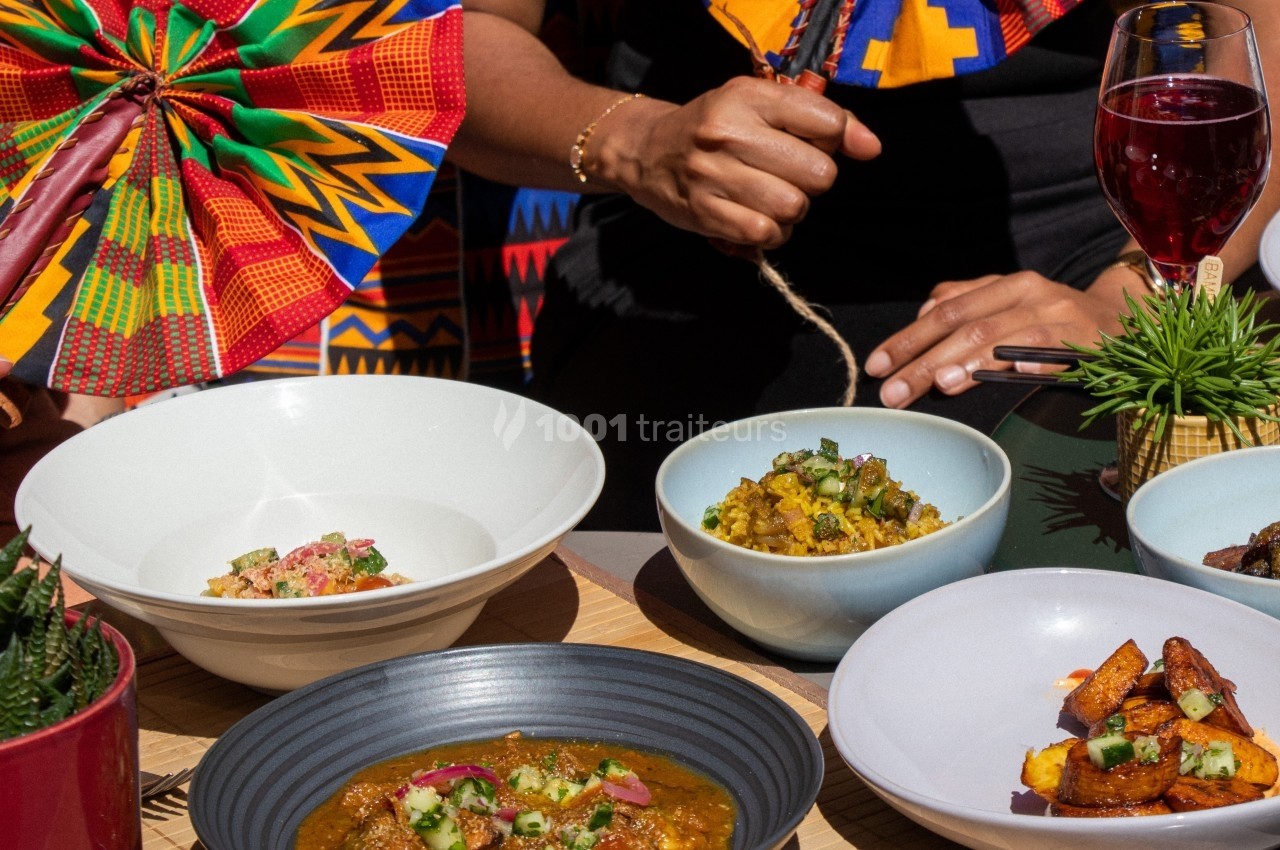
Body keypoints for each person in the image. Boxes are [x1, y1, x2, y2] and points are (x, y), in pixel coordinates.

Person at [448, 0, 1280, 531]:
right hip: (685, 241)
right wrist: (638, 144)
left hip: (1109, 236)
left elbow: (1259, 37)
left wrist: (1138, 295)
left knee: (1102, 530)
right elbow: (446, 46)